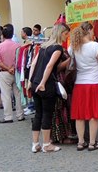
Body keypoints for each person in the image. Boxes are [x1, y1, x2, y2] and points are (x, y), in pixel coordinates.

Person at [69, 22, 98, 151]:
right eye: (93, 30)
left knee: (80, 115)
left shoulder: (73, 46)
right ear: (88, 30)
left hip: (80, 84)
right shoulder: (94, 46)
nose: (93, 33)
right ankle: (92, 143)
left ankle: (80, 142)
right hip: (94, 82)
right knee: (94, 114)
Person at [29, 23, 71, 152]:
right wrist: (43, 82)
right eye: (65, 34)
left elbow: (33, 64)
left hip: (35, 83)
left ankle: (35, 144)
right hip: (46, 85)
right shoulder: (57, 48)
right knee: (47, 114)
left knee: (38, 114)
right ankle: (47, 144)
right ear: (61, 33)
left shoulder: (43, 46)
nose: (66, 36)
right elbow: (50, 65)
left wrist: (31, 81)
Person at [0, 24, 24, 123]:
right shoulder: (18, 46)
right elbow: (21, 60)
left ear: (2, 35)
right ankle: (20, 115)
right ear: (12, 34)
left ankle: (8, 117)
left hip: (4, 73)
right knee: (18, 94)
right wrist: (12, 68)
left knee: (6, 95)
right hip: (16, 72)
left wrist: (8, 68)